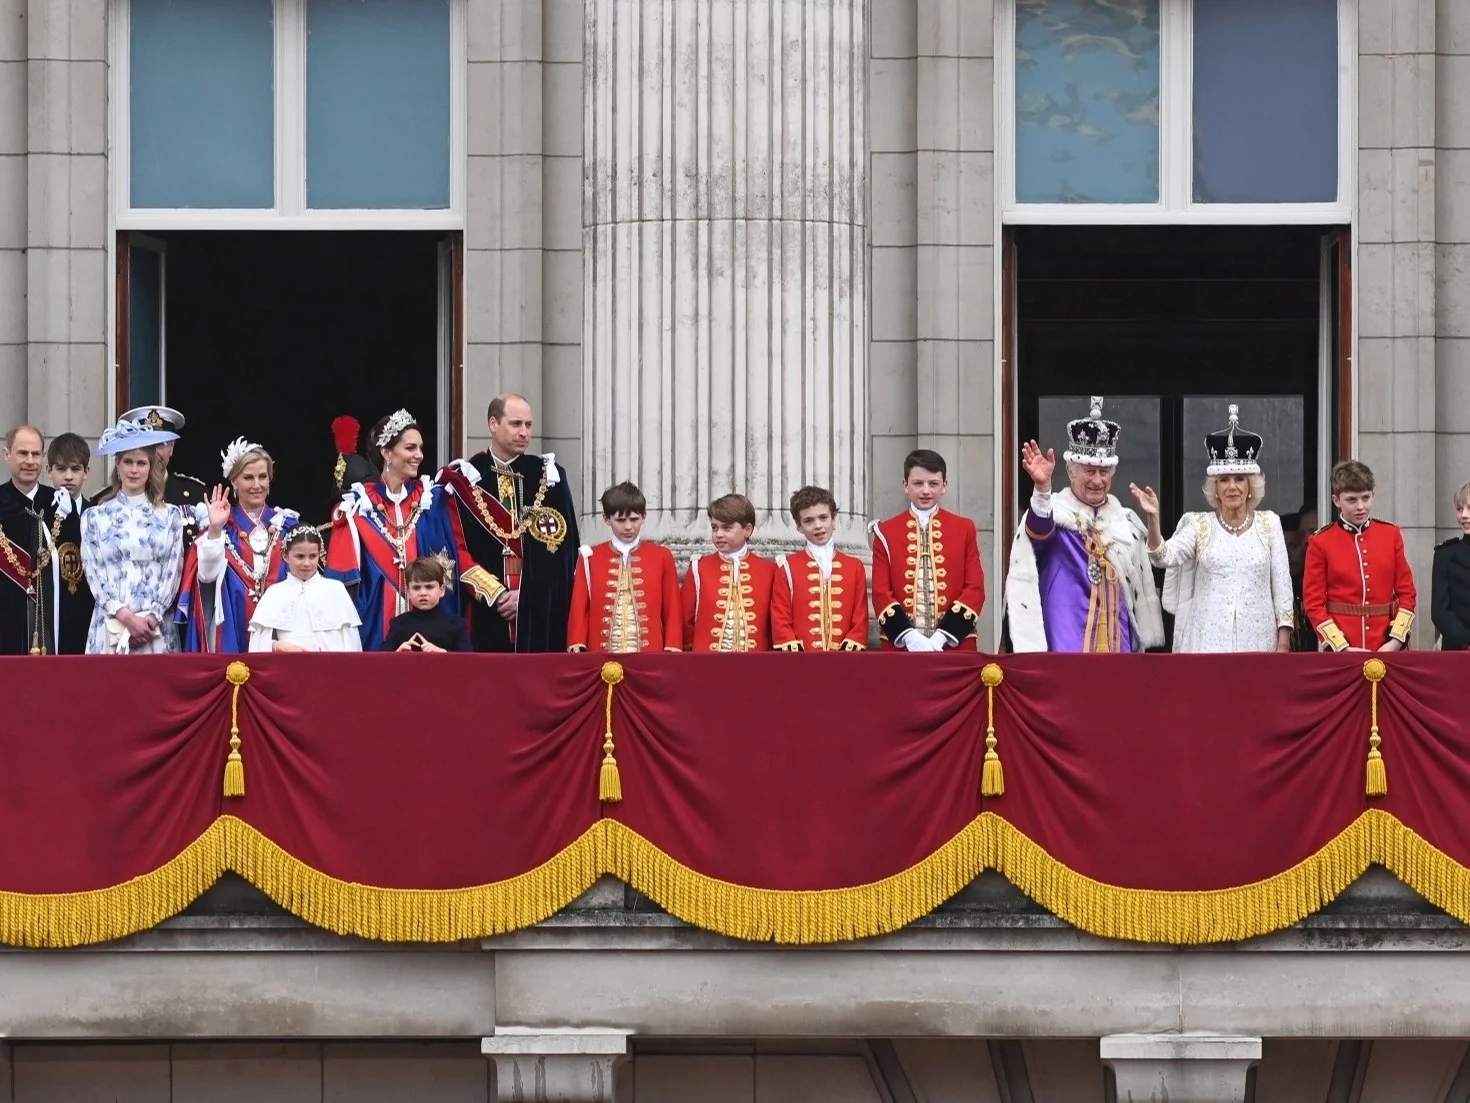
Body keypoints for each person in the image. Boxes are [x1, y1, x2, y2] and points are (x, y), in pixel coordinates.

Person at [327, 409, 500, 649]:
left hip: (434, 626)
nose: (419, 455)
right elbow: (341, 585)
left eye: (420, 448)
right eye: (410, 448)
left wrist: (495, 592)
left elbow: (459, 554)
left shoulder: (434, 499)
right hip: (375, 624)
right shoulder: (358, 506)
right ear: (387, 452)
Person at [1005, 397, 1165, 653]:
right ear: (1071, 472)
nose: (1097, 480)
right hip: (1065, 640)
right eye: (1089, 471)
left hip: (1118, 642)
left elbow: (1154, 568)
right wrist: (1042, 490)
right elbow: (1038, 532)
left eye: (1104, 473)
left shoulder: (1124, 522)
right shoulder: (1056, 513)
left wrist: (1153, 521)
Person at [1131, 405, 1293, 653]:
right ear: (1215, 488)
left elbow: (1282, 589)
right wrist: (1153, 518)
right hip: (1206, 641)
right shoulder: (1198, 524)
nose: (1232, 487)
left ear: (1251, 486)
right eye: (1224, 480)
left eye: (1239, 479)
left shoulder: (1269, 523)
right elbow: (1162, 557)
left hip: (1259, 640)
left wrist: (1283, 642)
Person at [436, 394, 580, 653]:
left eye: (528, 425)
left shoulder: (550, 476)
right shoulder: (465, 480)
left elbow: (565, 551)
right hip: (484, 611)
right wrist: (497, 594)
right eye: (516, 424)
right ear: (493, 424)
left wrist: (526, 597)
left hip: (540, 614)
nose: (524, 432)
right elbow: (454, 549)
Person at [177, 439, 301, 653]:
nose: (257, 485)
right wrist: (216, 529)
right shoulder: (220, 531)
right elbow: (206, 578)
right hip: (231, 634)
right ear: (234, 481)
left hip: (282, 634)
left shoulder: (287, 527)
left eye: (263, 477)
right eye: (248, 478)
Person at [81, 418, 186, 654]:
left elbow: (173, 571)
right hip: (110, 627)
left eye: (141, 463)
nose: (134, 470)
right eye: (128, 462)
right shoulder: (95, 517)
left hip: (155, 628)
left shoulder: (170, 516)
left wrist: (151, 617)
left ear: (151, 468)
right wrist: (126, 617)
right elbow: (93, 572)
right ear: (117, 465)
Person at [869, 450, 984, 652]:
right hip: (902, 648)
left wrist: (944, 635)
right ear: (905, 485)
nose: (925, 491)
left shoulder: (964, 528)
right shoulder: (884, 532)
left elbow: (975, 588)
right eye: (917, 483)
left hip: (954, 645)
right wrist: (909, 636)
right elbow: (880, 593)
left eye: (933, 483)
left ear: (944, 486)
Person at [1303, 459, 1417, 652]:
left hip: (1387, 644)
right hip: (1342, 646)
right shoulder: (1321, 541)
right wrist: (1341, 647)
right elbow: (1313, 602)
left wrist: (1396, 640)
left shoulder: (1391, 535)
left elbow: (1407, 593)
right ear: (1336, 500)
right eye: (1352, 500)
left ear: (1373, 494)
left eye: (1366, 498)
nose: (1360, 507)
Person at [567, 481, 681, 653]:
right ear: (606, 519)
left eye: (634, 519)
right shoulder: (589, 557)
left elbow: (672, 607)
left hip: (651, 655)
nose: (628, 527)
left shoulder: (662, 556)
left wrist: (672, 646)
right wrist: (577, 642)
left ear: (644, 517)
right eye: (620, 520)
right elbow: (579, 607)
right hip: (601, 655)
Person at [773, 485, 869, 652]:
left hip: (844, 660)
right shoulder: (787, 567)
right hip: (802, 660)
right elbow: (780, 615)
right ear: (798, 526)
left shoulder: (854, 566)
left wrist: (854, 640)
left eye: (823, 518)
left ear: (834, 519)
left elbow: (860, 614)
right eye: (808, 521)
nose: (818, 526)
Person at [681, 493, 776, 652]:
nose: (718, 534)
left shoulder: (769, 570)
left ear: (747, 530)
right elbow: (685, 621)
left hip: (756, 667)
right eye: (714, 528)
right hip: (708, 666)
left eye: (727, 527)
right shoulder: (699, 568)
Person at [248, 526, 362, 653]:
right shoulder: (274, 593)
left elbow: (352, 643)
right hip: (289, 668)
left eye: (312, 556)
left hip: (331, 669)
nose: (307, 563)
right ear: (285, 556)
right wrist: (276, 645)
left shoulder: (336, 590)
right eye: (300, 556)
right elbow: (257, 644)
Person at [0, 425, 58, 654]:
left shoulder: (57, 503)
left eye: (36, 454)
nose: (30, 461)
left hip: (51, 624)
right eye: (23, 453)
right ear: (7, 455)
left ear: (44, 457)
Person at [119, 405, 209, 542]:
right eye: (147, 445)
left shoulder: (197, 496)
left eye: (161, 444)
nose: (154, 454)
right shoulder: (108, 501)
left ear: (172, 447)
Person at [45, 432, 96, 655]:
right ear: (49, 471)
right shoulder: (40, 513)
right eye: (61, 469)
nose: (68, 477)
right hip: (53, 615)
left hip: (89, 612)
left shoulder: (96, 514)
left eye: (75, 469)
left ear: (86, 472)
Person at [383, 554, 472, 652]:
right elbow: (381, 662)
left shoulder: (456, 625)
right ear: (408, 593)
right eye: (416, 588)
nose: (423, 593)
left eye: (429, 587)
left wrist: (443, 653)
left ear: (442, 590)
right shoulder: (398, 624)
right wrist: (397, 653)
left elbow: (468, 662)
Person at [1432, 481, 1470, 650]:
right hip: (1458, 650)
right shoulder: (1445, 555)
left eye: (1469, 508)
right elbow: (1440, 612)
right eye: (1460, 509)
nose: (1464, 515)